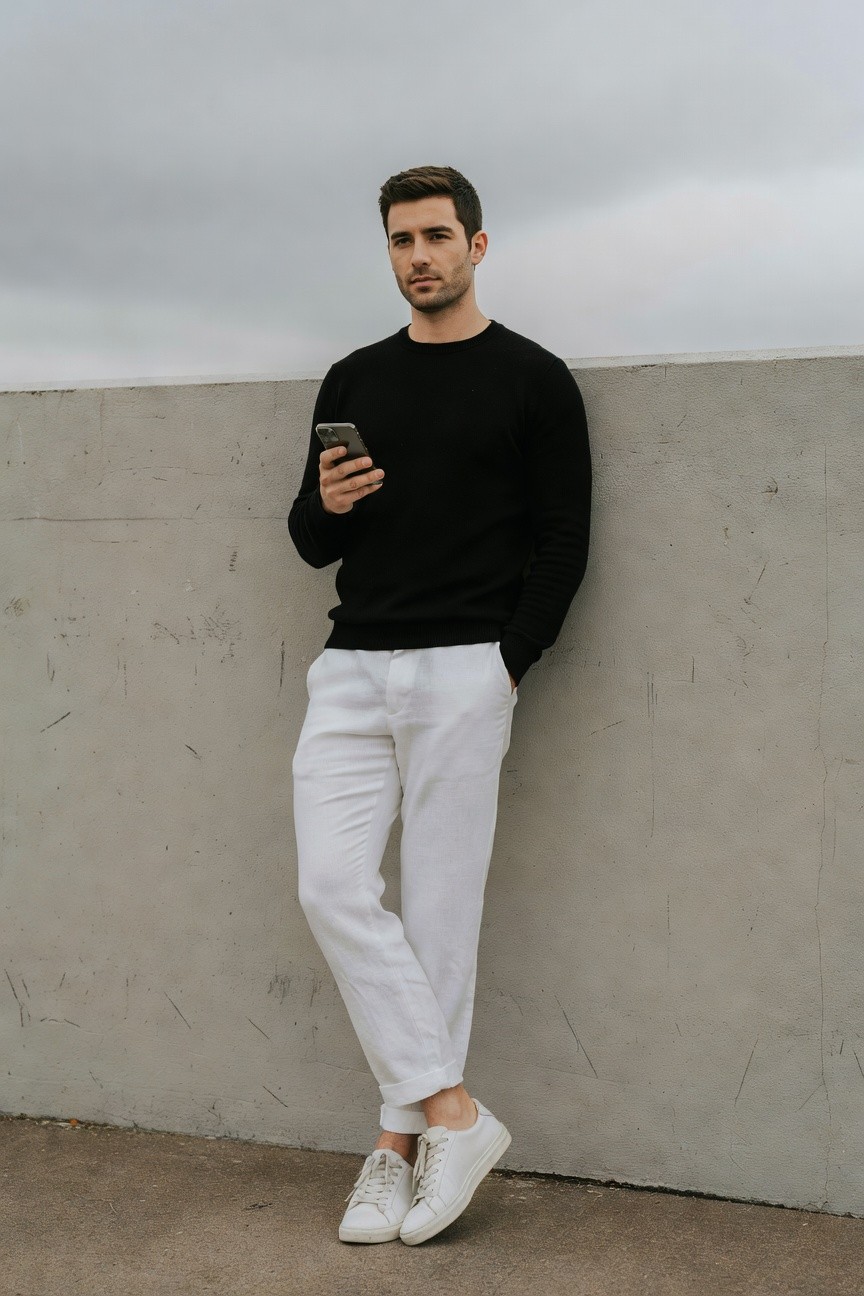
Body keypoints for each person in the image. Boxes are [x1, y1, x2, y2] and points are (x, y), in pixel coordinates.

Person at [288, 164, 592, 1246]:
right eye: (400, 240)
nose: (418, 255)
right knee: (331, 885)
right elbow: (311, 538)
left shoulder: (534, 380)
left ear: (477, 244)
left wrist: (508, 662)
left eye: (435, 235)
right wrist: (325, 501)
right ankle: (453, 1114)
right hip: (354, 667)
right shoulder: (352, 378)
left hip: (469, 665)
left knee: (440, 918)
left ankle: (395, 1145)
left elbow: (564, 542)